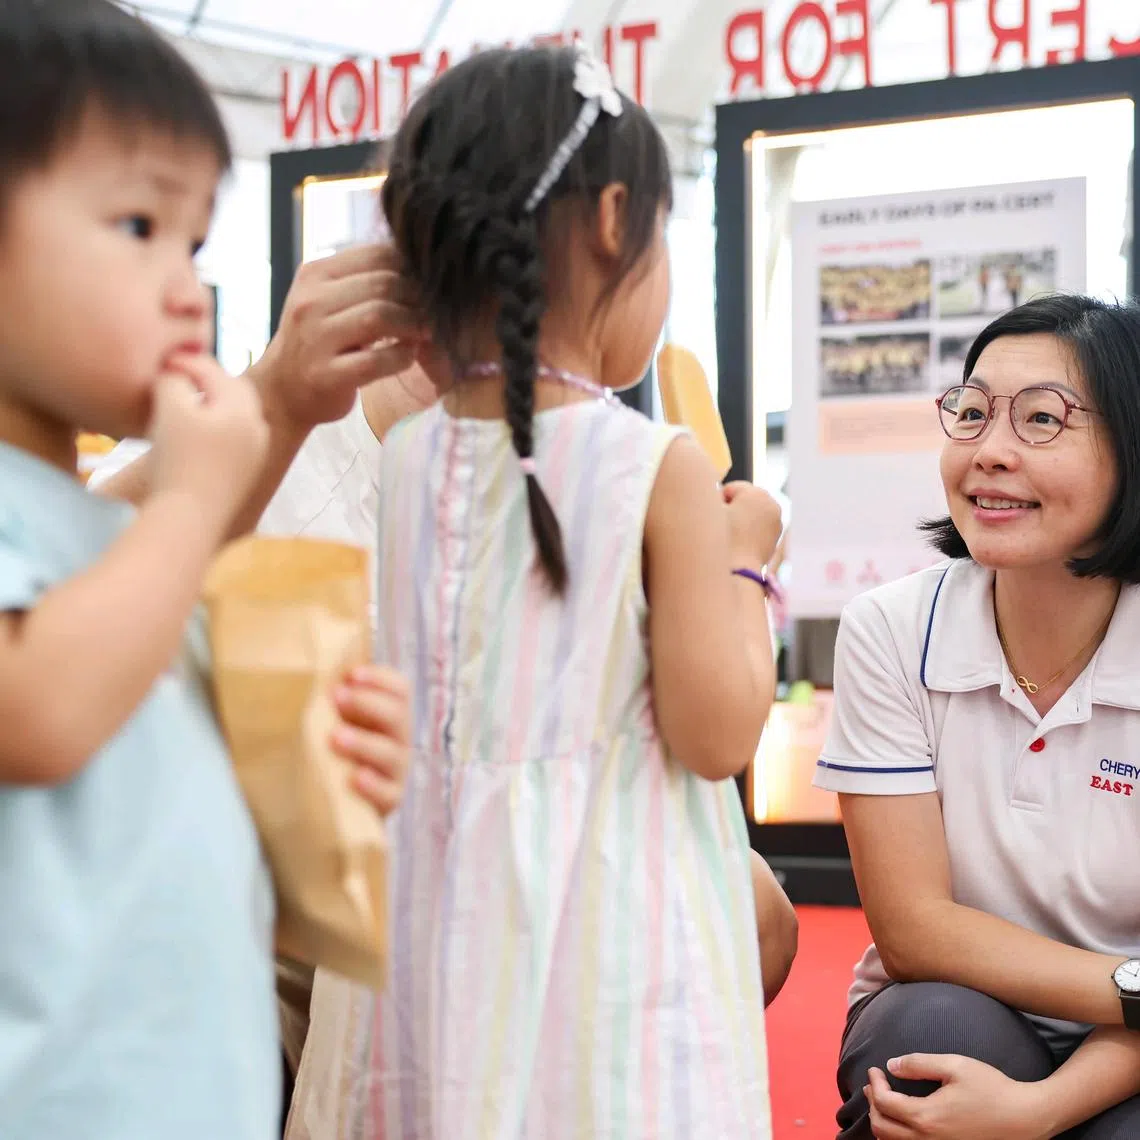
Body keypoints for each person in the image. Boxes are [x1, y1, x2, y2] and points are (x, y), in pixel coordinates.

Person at [283, 44, 782, 1140]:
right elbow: (714, 729)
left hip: (424, 919)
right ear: (614, 220)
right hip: (602, 926)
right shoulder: (661, 468)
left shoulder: (408, 455)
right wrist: (745, 560)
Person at [0, 4, 411, 1137]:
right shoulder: (142, 536)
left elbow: (169, 865)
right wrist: (193, 497)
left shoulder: (111, 553)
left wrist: (318, 801)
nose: (189, 289)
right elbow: (34, 711)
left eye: (193, 243)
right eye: (136, 224)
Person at [814, 294, 1140, 1139]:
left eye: (1042, 419)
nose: (990, 452)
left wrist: (1040, 1112)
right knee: (923, 1043)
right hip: (969, 1005)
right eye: (971, 413)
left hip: (1130, 1047)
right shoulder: (891, 628)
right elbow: (916, 931)